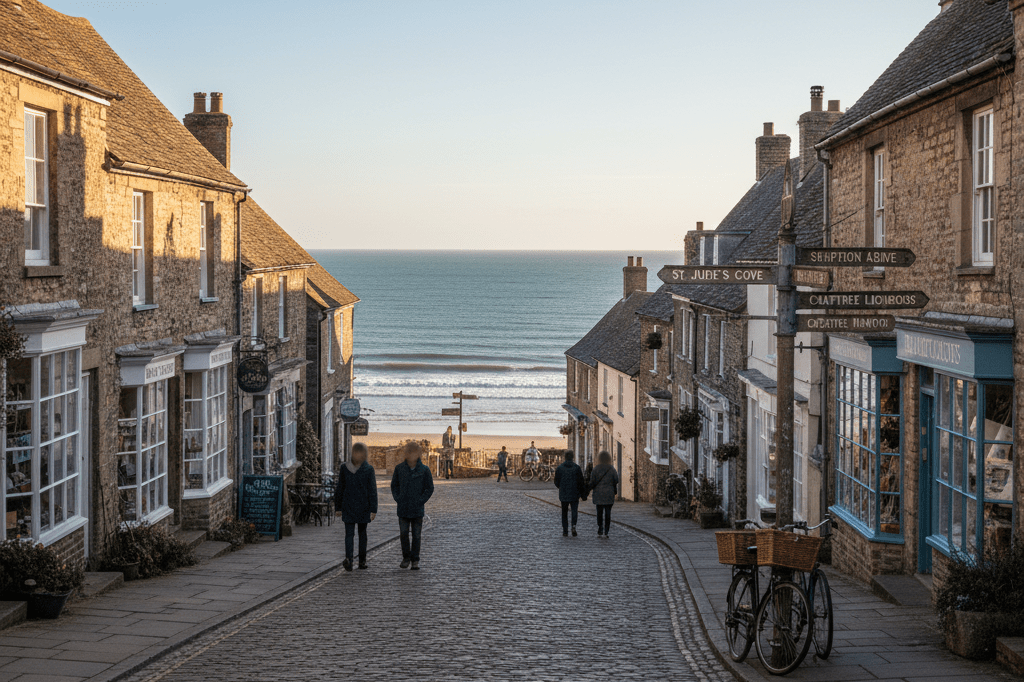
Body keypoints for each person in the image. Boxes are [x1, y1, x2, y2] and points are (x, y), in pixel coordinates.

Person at [390, 442, 434, 569]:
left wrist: (421, 501)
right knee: (403, 534)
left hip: (417, 508)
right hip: (403, 508)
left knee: (416, 535)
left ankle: (415, 560)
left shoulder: (424, 470)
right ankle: (406, 558)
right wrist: (398, 498)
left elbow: (429, 488)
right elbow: (394, 486)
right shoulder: (399, 469)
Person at [334, 442, 378, 570]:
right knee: (360, 534)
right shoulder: (368, 469)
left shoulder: (345, 468)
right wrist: (373, 509)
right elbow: (372, 491)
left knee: (351, 534)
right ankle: (360, 561)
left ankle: (351, 560)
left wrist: (338, 507)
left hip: (351, 506)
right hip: (361, 506)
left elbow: (340, 489)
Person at [553, 450, 586, 536]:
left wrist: (561, 487)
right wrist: (582, 493)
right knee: (574, 510)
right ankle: (573, 526)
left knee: (564, 512)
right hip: (575, 493)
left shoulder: (560, 468)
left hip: (564, 493)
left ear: (565, 457)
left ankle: (565, 530)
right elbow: (581, 482)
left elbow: (556, 481)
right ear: (572, 457)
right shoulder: (577, 468)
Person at [589, 451, 620, 537]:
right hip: (609, 493)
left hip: (598, 493)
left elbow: (592, 482)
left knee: (599, 512)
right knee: (608, 513)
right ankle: (606, 531)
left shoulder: (596, 469)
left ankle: (600, 527)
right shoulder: (611, 468)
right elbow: (616, 480)